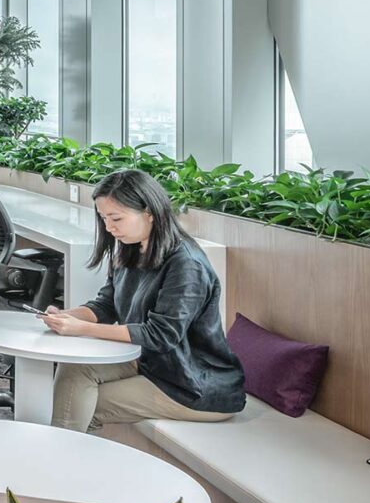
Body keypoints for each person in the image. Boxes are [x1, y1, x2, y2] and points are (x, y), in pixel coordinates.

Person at [45, 168, 245, 434]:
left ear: (149, 213)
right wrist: (66, 316)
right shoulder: (131, 248)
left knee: (77, 405)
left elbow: (161, 335)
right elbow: (106, 305)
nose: (108, 227)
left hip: (192, 384)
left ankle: (57, 470)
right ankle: (59, 465)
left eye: (116, 218)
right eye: (104, 218)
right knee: (75, 371)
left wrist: (82, 329)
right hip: (153, 363)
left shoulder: (186, 264)